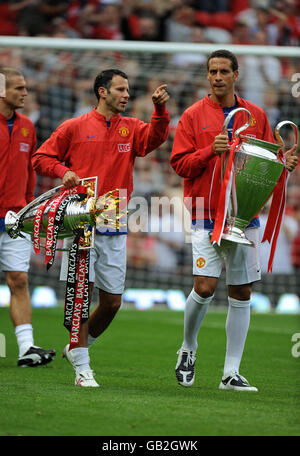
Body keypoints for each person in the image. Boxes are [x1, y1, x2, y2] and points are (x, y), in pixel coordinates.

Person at [32, 68, 170, 387]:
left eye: (128, 90)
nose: (126, 95)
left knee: (112, 302)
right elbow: (41, 157)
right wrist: (62, 170)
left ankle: (78, 348)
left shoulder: (132, 128)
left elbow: (155, 139)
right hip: (79, 221)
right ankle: (83, 367)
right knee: (80, 296)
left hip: (115, 220)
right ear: (102, 92)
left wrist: (160, 110)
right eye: (120, 90)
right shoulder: (74, 126)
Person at [170, 49, 298, 392]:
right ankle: (188, 348)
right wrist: (210, 150)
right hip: (205, 214)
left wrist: (283, 166)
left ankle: (231, 373)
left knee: (241, 292)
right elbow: (179, 164)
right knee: (204, 287)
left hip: (245, 216)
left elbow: (270, 160)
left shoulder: (256, 114)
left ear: (235, 74)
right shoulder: (192, 116)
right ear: (207, 75)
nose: (217, 77)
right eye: (212, 71)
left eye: (224, 71)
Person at [0, 67, 56, 367]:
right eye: (19, 88)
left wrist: (26, 207)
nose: (25, 93)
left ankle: (26, 348)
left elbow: (30, 171)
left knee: (19, 280)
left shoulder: (26, 127)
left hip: (14, 218)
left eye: (25, 88)